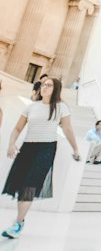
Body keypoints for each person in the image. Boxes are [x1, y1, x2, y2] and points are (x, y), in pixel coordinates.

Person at [2, 74, 80, 238]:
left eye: (49, 85)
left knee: (30, 185)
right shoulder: (31, 107)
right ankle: (20, 221)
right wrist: (11, 143)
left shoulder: (61, 108)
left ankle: (17, 223)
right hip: (28, 148)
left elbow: (67, 129)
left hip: (46, 149)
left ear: (56, 89)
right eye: (43, 84)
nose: (44, 87)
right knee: (22, 186)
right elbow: (17, 128)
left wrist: (76, 149)